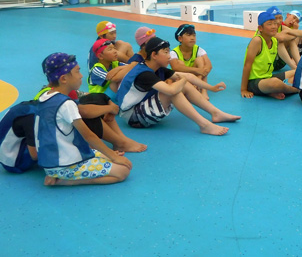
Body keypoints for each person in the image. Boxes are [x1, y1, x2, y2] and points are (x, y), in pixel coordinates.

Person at [36, 52, 132, 186]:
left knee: (103, 155)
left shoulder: (45, 96)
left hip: (52, 161)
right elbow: (89, 136)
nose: (81, 76)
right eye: (77, 72)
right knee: (123, 170)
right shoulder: (66, 104)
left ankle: (60, 174)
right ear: (64, 78)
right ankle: (62, 181)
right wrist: (113, 156)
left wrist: (108, 154)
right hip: (64, 165)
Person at [116, 37, 240, 136]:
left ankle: (216, 113)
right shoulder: (144, 73)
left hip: (142, 107)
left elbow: (188, 77)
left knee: (180, 85)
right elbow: (172, 89)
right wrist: (184, 79)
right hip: (132, 117)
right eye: (165, 52)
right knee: (173, 91)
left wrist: (211, 87)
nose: (169, 56)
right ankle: (204, 125)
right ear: (154, 55)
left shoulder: (157, 68)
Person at [241, 11, 299, 99]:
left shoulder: (274, 41)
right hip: (254, 81)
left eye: (275, 24)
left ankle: (272, 91)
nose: (274, 27)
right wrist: (243, 89)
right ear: (260, 28)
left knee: (298, 71)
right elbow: (247, 65)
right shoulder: (257, 41)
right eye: (269, 24)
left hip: (268, 77)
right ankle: (295, 90)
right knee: (275, 83)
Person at [169, 24, 214, 99]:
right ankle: (189, 87)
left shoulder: (198, 49)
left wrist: (198, 79)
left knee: (200, 60)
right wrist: (197, 70)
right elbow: (175, 67)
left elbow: (209, 66)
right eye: (189, 35)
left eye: (194, 35)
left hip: (196, 76)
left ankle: (204, 91)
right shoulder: (174, 52)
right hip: (182, 77)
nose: (192, 38)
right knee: (180, 63)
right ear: (180, 38)